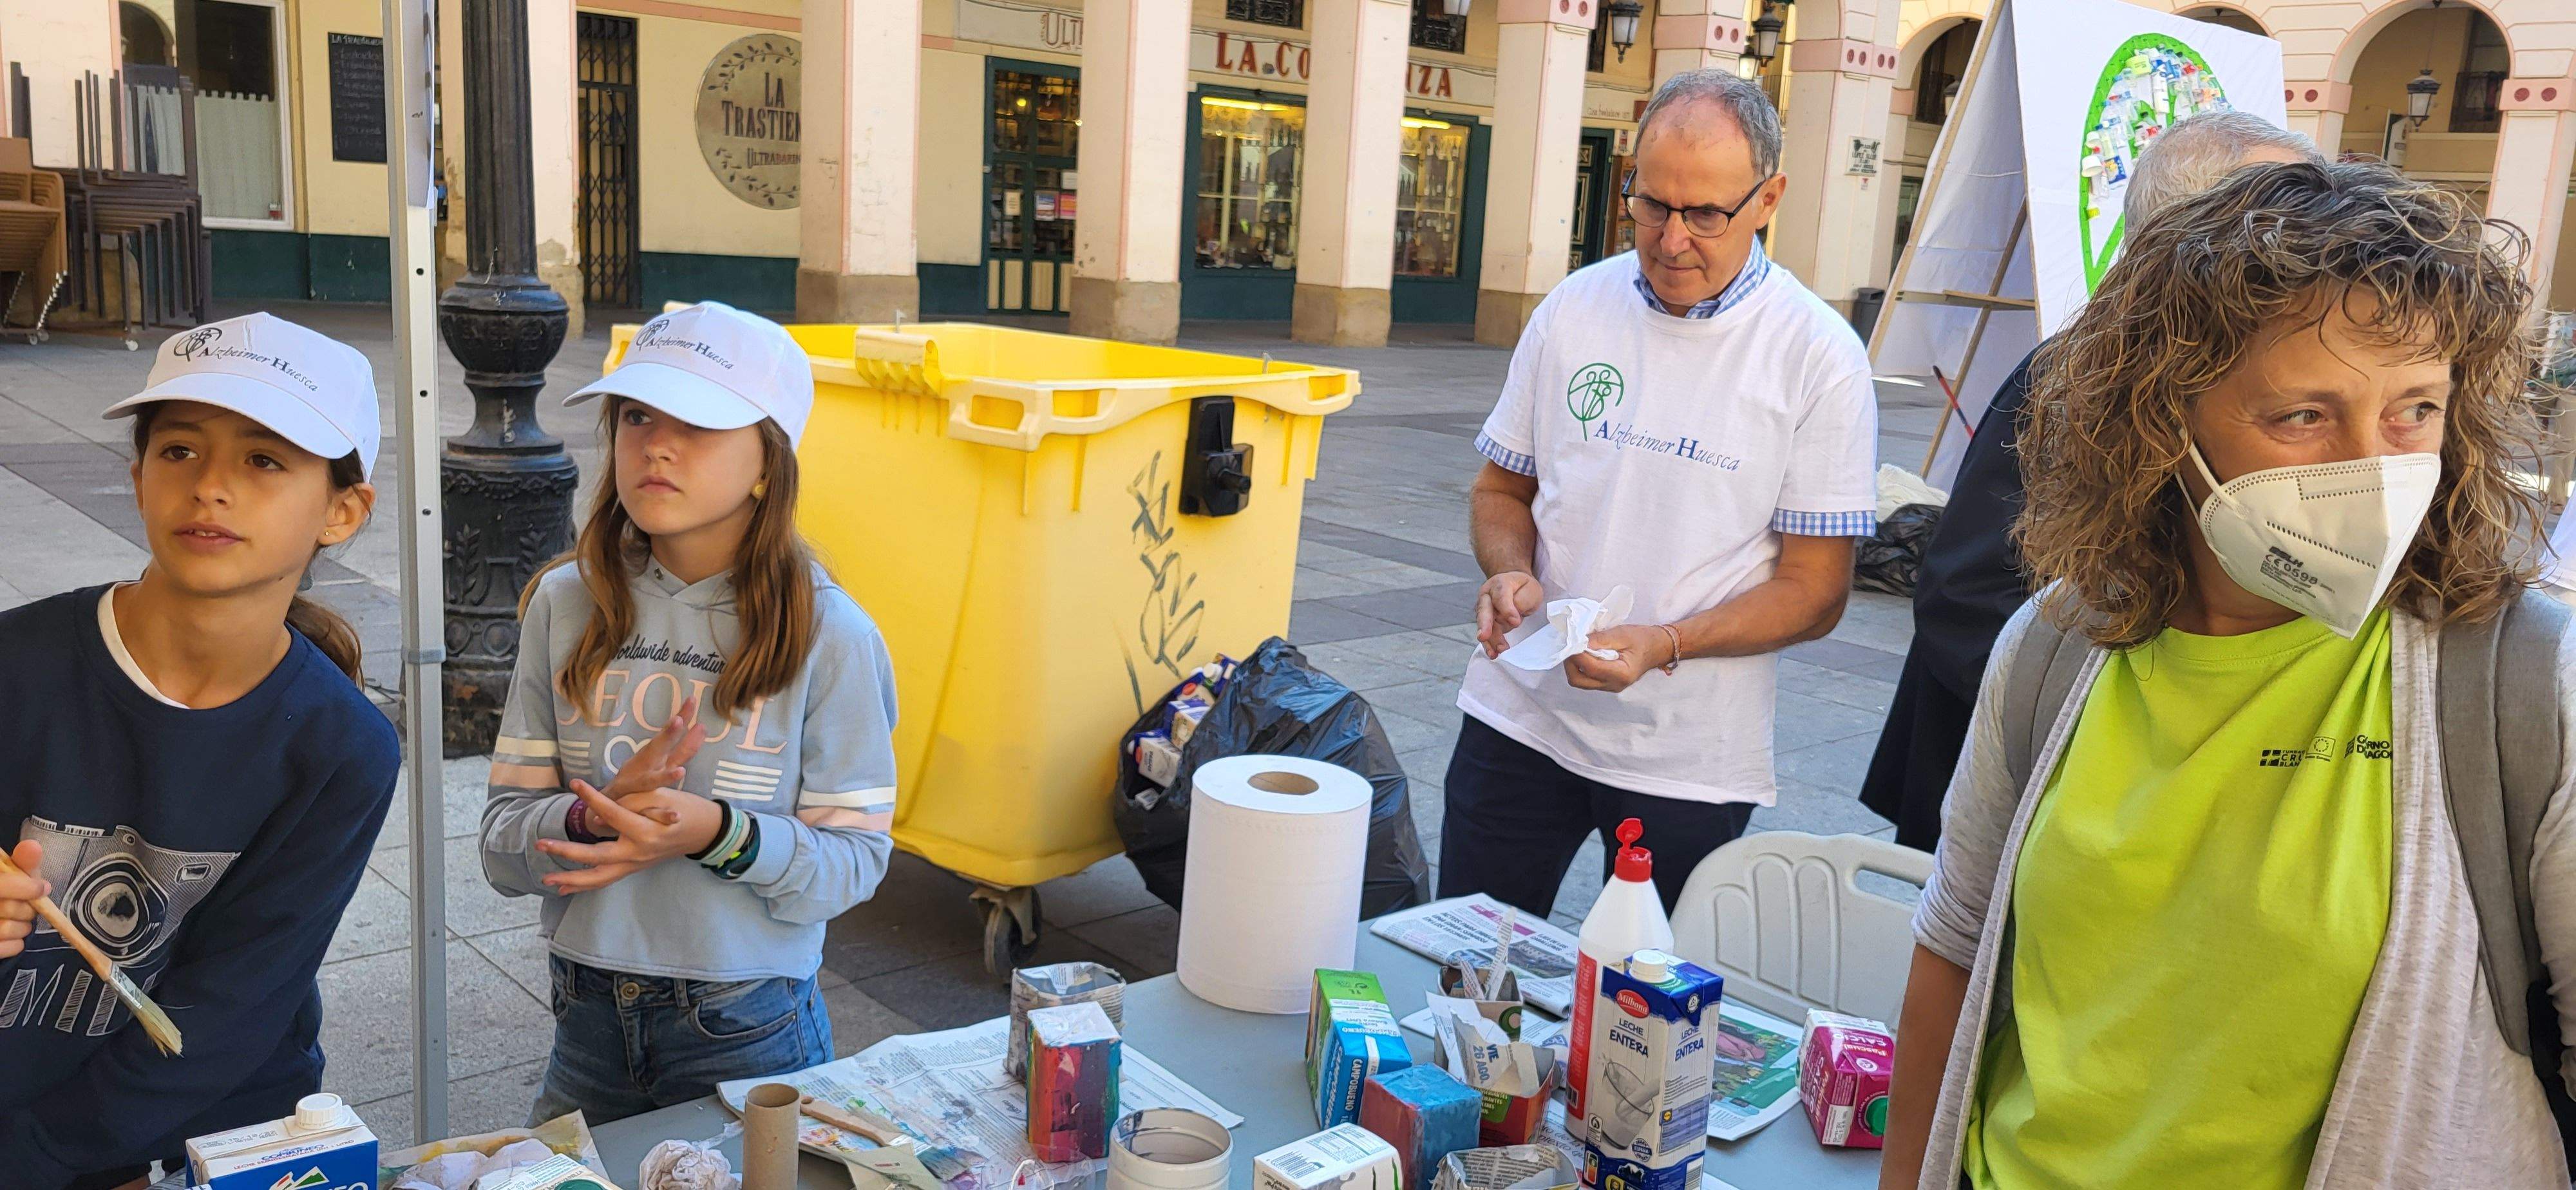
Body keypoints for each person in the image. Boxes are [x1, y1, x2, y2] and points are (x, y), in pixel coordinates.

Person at [1880, 160, 2576, 1189]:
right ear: (2164, 422)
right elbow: (1957, 944)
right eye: (2304, 415)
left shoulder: (2524, 685)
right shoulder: (2056, 644)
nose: (2374, 467)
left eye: (2415, 407)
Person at [1443, 68, 1879, 915]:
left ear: (1768, 198)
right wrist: (1508, 569)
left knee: (1646, 1019)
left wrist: (1667, 641)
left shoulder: (1817, 355)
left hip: (1688, 758)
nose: (1672, 238)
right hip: (1521, 714)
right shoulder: (1575, 306)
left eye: (1706, 213)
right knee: (1466, 963)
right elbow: (1502, 490)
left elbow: (1817, 592)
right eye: (1650, 204)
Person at [0, 313, 401, 1189]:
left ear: (342, 510)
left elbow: (232, 1011)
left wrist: (46, 1162)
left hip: (217, 1138)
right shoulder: (16, 668)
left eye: (264, 460)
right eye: (179, 450)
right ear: (138, 476)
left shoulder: (343, 748)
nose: (211, 486)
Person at [480, 301, 898, 1125]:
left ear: (768, 463)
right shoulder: (564, 604)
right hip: (584, 1015)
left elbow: (855, 862)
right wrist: (595, 818)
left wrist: (716, 833)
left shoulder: (832, 632)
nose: (655, 445)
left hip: (750, 1023)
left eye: (700, 422)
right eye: (636, 414)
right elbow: (500, 847)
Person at [1859, 111, 2325, 849]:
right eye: (2288, 221)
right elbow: (1966, 596)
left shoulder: (2230, 368)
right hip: (2017, 805)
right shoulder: (2082, 377)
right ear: (2187, 238)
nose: (2321, 245)